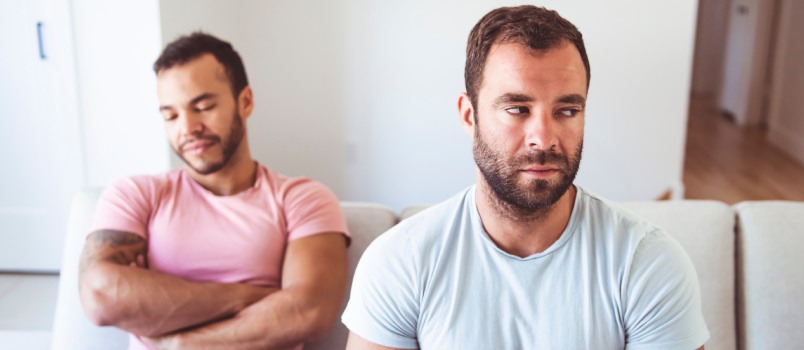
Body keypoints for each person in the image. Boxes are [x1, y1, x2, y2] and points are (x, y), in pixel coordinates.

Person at [342, 5, 709, 349]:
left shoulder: (646, 263)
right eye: (517, 109)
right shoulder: (400, 262)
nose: (544, 138)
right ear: (469, 116)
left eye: (566, 110)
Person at [78, 32, 350, 350]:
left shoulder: (303, 199)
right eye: (171, 115)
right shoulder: (136, 194)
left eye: (203, 106)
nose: (187, 128)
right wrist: (253, 297)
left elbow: (308, 312)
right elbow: (100, 296)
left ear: (245, 101)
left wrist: (177, 344)